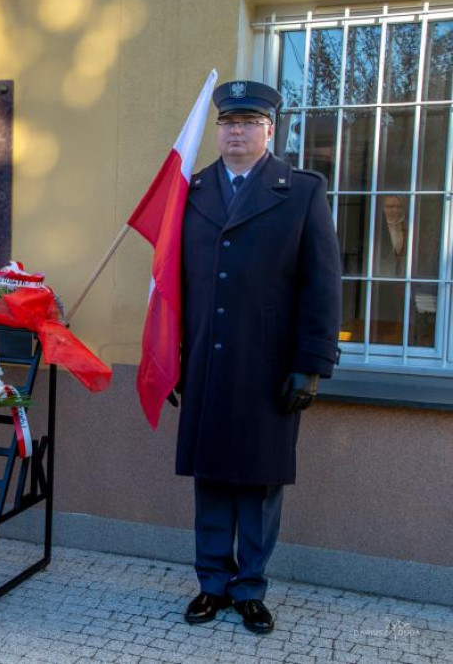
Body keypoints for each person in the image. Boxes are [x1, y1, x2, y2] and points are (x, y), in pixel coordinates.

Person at [174, 80, 341, 634]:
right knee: (212, 478)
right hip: (206, 362)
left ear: (270, 129)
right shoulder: (192, 191)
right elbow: (176, 286)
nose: (236, 132)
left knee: (259, 483)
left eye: (247, 123)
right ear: (217, 129)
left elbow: (322, 286)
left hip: (269, 367)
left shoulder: (300, 191)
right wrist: (173, 358)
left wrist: (311, 365)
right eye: (227, 123)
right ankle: (212, 585)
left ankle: (250, 588)